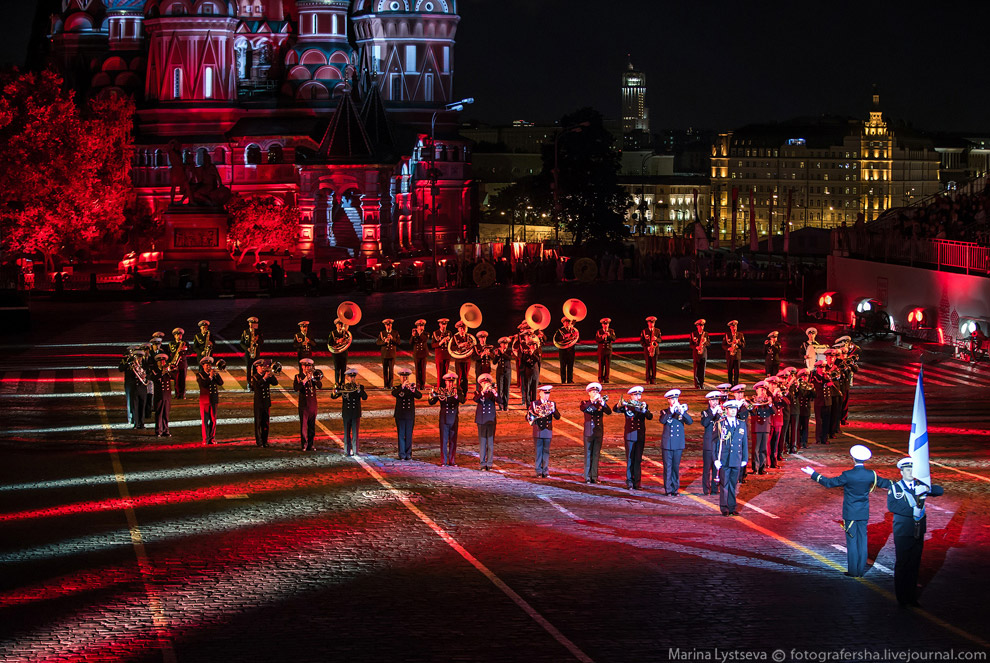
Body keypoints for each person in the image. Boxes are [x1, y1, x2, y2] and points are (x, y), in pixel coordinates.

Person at [802, 445, 892, 576]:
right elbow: (887, 484)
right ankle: (860, 570)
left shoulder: (848, 475)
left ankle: (853, 571)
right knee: (862, 541)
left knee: (852, 541)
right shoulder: (871, 474)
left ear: (853, 459)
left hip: (850, 513)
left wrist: (814, 474)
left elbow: (829, 483)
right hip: (863, 512)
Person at [887, 457, 944, 607]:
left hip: (918, 530)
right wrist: (913, 511)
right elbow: (892, 506)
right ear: (901, 472)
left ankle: (911, 597)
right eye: (907, 470)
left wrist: (927, 489)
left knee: (914, 564)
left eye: (912, 469)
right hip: (903, 530)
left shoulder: (919, 486)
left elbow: (940, 491)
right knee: (902, 563)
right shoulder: (896, 488)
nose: (910, 472)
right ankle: (901, 597)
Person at [614, 386, 652, 490]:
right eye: (636, 395)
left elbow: (650, 417)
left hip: (639, 435)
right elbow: (616, 409)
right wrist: (620, 404)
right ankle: (629, 481)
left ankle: (637, 483)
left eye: (639, 395)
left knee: (638, 459)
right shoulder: (627, 406)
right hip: (630, 435)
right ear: (631, 396)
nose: (638, 397)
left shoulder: (643, 405)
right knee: (630, 459)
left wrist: (644, 410)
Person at [714, 399, 748, 515]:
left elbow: (744, 443)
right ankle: (724, 508)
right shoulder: (720, 424)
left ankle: (732, 507)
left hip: (736, 459)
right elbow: (715, 443)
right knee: (724, 484)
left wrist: (744, 458)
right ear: (726, 410)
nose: (733, 411)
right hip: (725, 459)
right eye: (731, 409)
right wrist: (716, 459)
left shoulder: (741, 424)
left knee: (733, 484)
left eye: (735, 409)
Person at [659, 388, 693, 496]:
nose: (674, 401)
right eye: (672, 399)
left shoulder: (681, 411)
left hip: (678, 444)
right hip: (668, 444)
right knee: (668, 468)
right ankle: (668, 489)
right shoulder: (665, 411)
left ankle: (675, 489)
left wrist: (682, 412)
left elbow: (690, 422)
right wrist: (671, 411)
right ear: (668, 400)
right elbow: (663, 420)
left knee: (675, 467)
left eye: (676, 399)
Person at [579, 382, 612, 484]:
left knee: (596, 454)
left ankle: (594, 476)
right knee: (588, 454)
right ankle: (587, 476)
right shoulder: (585, 403)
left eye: (597, 392)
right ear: (589, 393)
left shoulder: (600, 403)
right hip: (589, 432)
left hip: (598, 431)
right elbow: (584, 409)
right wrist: (593, 401)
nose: (595, 394)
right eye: (593, 392)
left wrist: (603, 403)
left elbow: (609, 412)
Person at [430, 372, 465, 466]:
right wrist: (433, 395)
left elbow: (463, 400)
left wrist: (457, 396)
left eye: (452, 382)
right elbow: (432, 402)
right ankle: (443, 461)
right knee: (444, 440)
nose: (450, 384)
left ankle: (452, 461)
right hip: (444, 419)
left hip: (453, 419)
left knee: (453, 440)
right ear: (445, 382)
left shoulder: (457, 391)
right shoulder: (442, 391)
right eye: (449, 382)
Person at [527, 384, 560, 478]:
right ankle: (538, 470)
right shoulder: (534, 404)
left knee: (546, 451)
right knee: (538, 451)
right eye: (545, 394)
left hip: (547, 430)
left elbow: (558, 417)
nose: (546, 396)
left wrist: (553, 410)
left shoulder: (552, 404)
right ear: (540, 393)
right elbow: (528, 416)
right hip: (538, 429)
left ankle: (545, 470)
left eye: (548, 394)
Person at [332, 367, 366, 456]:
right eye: (350, 377)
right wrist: (335, 390)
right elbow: (334, 396)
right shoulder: (344, 387)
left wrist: (359, 390)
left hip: (355, 413)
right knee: (346, 433)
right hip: (346, 413)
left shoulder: (360, 386)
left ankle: (355, 451)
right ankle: (346, 451)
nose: (352, 379)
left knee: (355, 434)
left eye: (353, 377)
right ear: (347, 378)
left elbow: (365, 397)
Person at [293, 358, 323, 451]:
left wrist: (315, 379)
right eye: (306, 366)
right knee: (304, 426)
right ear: (302, 366)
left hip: (313, 404)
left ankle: (311, 444)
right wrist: (305, 380)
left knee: (312, 426)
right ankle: (304, 444)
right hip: (304, 405)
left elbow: (320, 386)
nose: (307, 368)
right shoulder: (298, 376)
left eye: (309, 366)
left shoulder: (313, 376)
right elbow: (296, 388)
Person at [391, 368, 421, 460]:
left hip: (409, 415)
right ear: (400, 378)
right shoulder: (397, 388)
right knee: (401, 435)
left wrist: (413, 390)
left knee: (408, 435)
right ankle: (402, 454)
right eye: (403, 377)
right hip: (400, 414)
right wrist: (402, 387)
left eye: (406, 377)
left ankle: (408, 453)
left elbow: (419, 396)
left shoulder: (411, 388)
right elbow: (394, 393)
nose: (405, 378)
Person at [700, 391, 724, 495]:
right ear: (709, 401)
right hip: (708, 444)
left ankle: (715, 488)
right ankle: (706, 489)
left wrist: (720, 414)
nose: (715, 402)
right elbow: (705, 423)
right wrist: (714, 414)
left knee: (716, 467)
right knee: (707, 468)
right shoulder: (705, 413)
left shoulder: (721, 412)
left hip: (718, 443)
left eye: (716, 400)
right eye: (713, 400)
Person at [473, 373, 499, 471]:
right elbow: (476, 399)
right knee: (483, 443)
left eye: (487, 383)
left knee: (490, 443)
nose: (486, 385)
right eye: (484, 383)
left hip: (491, 420)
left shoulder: (492, 394)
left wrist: (495, 392)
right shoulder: (478, 393)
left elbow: (501, 401)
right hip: (481, 420)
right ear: (481, 384)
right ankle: (483, 463)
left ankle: (490, 463)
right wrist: (483, 391)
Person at [251, 359, 279, 448]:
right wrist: (264, 378)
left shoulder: (266, 375)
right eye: (260, 366)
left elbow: (275, 383)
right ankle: (259, 441)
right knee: (258, 423)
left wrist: (271, 374)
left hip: (266, 403)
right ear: (257, 367)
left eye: (263, 366)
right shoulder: (255, 377)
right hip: (259, 403)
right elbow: (256, 386)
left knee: (265, 423)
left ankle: (265, 440)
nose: (262, 368)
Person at [196, 356, 224, 445]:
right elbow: (203, 384)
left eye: (209, 365)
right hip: (205, 400)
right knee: (205, 421)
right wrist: (210, 377)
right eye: (207, 365)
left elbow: (221, 383)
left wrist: (217, 375)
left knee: (213, 420)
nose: (209, 367)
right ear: (203, 366)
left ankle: (212, 438)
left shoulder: (213, 374)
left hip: (213, 399)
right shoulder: (200, 375)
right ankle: (205, 439)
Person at [750, 381, 774, 474]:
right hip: (757, 427)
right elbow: (752, 413)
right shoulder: (753, 401)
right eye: (761, 390)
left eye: (764, 390)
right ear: (757, 391)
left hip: (766, 427)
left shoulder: (767, 401)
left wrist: (770, 404)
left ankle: (762, 467)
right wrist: (755, 403)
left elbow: (774, 411)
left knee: (764, 448)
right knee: (756, 449)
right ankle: (755, 468)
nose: (763, 392)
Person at [149, 352, 174, 437]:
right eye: (160, 362)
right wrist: (162, 373)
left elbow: (174, 377)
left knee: (166, 414)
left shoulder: (167, 371)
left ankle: (166, 430)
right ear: (157, 363)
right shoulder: (155, 371)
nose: (162, 363)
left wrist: (169, 371)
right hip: (159, 395)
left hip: (167, 396)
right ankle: (158, 430)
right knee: (159, 414)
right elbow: (154, 379)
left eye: (163, 361)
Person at [810, 359, 834, 445]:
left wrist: (829, 379)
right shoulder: (815, 378)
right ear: (817, 368)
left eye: (824, 368)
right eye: (821, 368)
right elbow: (818, 387)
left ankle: (824, 438)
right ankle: (818, 438)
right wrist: (825, 382)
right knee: (819, 422)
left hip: (827, 401)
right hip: (819, 402)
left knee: (826, 421)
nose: (823, 369)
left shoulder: (827, 376)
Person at [450, 320, 474, 394]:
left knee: (465, 377)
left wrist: (468, 346)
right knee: (459, 377)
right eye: (461, 328)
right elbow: (451, 348)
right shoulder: (455, 337)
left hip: (467, 360)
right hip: (458, 360)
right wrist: (459, 346)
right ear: (458, 329)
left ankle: (465, 392)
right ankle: (459, 393)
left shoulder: (469, 337)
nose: (462, 330)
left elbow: (473, 347)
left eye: (464, 328)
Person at [376, 318, 400, 388]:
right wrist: (384, 341)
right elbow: (378, 342)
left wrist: (392, 338)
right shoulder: (382, 333)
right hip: (384, 354)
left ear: (391, 325)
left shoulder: (395, 332)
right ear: (385, 326)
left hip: (392, 354)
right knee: (385, 370)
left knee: (391, 370)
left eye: (389, 325)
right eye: (387, 325)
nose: (388, 326)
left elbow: (398, 342)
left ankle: (391, 385)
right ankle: (386, 385)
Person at [240, 316, 263, 386]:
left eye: (254, 323)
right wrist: (247, 348)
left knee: (256, 367)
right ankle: (249, 382)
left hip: (256, 352)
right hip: (248, 353)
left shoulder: (258, 332)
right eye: (251, 323)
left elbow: (262, 342)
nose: (253, 325)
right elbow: (241, 343)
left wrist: (257, 340)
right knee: (248, 368)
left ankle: (255, 382)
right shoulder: (245, 332)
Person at [555, 316, 579, 384]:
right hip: (563, 351)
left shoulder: (573, 330)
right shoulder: (560, 330)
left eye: (568, 322)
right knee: (563, 366)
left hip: (571, 350)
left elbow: (578, 340)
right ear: (563, 323)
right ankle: (563, 380)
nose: (567, 324)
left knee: (570, 366)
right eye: (565, 322)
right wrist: (564, 336)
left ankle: (570, 380)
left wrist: (574, 335)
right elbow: (556, 339)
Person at [493, 336, 514, 411]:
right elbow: (494, 362)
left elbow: (509, 358)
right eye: (503, 344)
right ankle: (500, 404)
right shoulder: (498, 352)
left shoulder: (509, 351)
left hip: (507, 371)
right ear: (500, 345)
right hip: (500, 371)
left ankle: (506, 405)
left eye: (506, 344)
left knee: (506, 389)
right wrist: (497, 355)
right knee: (500, 389)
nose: (505, 345)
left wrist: (502, 353)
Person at [722, 320, 745, 385]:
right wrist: (728, 348)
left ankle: (736, 384)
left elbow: (743, 345)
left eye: (735, 326)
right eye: (732, 327)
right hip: (729, 355)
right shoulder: (727, 335)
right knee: (729, 371)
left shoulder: (740, 334)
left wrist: (738, 342)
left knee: (736, 372)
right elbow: (723, 345)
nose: (734, 328)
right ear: (730, 327)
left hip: (737, 356)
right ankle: (730, 384)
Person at [430, 318, 452, 386]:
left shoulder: (449, 333)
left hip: (447, 355)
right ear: (439, 324)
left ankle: (445, 387)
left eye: (445, 324)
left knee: (446, 372)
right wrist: (440, 343)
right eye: (442, 324)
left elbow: (452, 344)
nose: (444, 326)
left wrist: (449, 341)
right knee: (439, 373)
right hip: (439, 355)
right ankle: (439, 387)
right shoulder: (436, 333)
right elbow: (432, 345)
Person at [328, 318, 350, 386]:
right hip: (336, 353)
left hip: (344, 353)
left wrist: (344, 340)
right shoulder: (333, 333)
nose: (340, 326)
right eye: (339, 324)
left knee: (343, 369)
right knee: (337, 369)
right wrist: (337, 341)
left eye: (341, 324)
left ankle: (343, 382)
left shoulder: (345, 333)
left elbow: (348, 340)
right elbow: (329, 343)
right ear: (336, 325)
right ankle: (337, 382)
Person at [640, 315, 662, 385]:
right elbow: (641, 341)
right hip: (647, 350)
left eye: (653, 323)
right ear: (648, 323)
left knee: (654, 366)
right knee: (648, 365)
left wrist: (656, 339)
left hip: (655, 350)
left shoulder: (657, 330)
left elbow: (660, 339)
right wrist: (646, 347)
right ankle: (647, 379)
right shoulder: (644, 331)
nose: (652, 324)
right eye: (650, 323)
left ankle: (653, 379)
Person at [168, 327, 189, 399]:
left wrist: (184, 351)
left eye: (180, 335)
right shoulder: (171, 344)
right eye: (177, 335)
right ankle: (177, 394)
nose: (179, 336)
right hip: (175, 363)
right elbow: (170, 353)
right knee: (176, 380)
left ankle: (182, 394)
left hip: (182, 363)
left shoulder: (185, 343)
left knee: (182, 380)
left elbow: (189, 352)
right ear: (175, 336)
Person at [519, 338, 540, 407]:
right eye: (532, 345)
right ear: (529, 346)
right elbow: (522, 361)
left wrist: (532, 354)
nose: (534, 346)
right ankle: (528, 405)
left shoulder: (537, 352)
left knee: (534, 390)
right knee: (527, 389)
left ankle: (533, 404)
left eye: (535, 345)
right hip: (528, 373)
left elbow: (537, 359)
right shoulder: (525, 353)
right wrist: (526, 354)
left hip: (535, 373)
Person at [690, 319, 710, 389]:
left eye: (702, 325)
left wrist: (705, 342)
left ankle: (701, 383)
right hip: (696, 353)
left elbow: (709, 343)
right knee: (696, 370)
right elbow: (691, 344)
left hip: (703, 353)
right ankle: (697, 384)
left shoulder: (706, 334)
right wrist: (696, 347)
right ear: (697, 326)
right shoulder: (693, 334)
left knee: (702, 369)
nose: (701, 327)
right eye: (700, 325)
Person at [410, 319, 431, 387]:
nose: (421, 327)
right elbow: (411, 342)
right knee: (417, 370)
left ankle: (422, 384)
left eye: (422, 326)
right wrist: (413, 336)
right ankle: (418, 384)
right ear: (417, 327)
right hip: (417, 354)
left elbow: (424, 339)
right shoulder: (415, 334)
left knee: (423, 370)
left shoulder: (426, 334)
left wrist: (419, 333)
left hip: (423, 354)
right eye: (419, 326)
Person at [595, 318, 617, 383]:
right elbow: (597, 340)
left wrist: (609, 335)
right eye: (604, 324)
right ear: (602, 325)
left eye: (606, 324)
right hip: (601, 350)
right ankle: (600, 378)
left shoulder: (611, 331)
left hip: (608, 350)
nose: (605, 325)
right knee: (601, 365)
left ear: (608, 324)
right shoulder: (599, 331)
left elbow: (614, 339)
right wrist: (602, 337)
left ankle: (606, 378)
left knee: (607, 365)